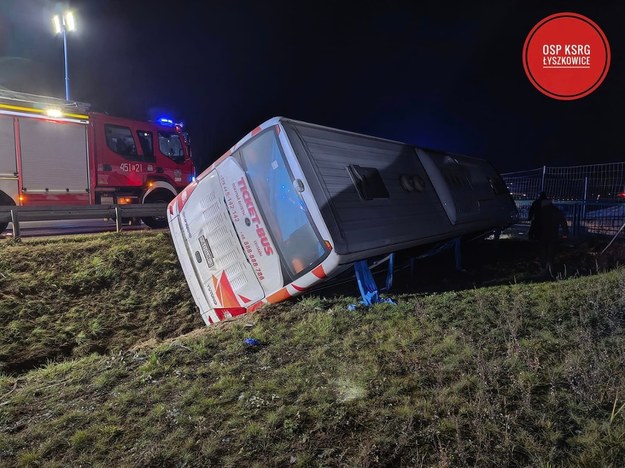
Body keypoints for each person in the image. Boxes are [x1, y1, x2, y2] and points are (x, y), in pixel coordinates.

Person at [537, 198, 568, 270]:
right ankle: (550, 263)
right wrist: (565, 233)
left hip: (543, 233)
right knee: (551, 248)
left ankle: (544, 264)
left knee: (543, 248)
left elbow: (535, 223)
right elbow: (563, 222)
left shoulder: (541, 211)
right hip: (553, 232)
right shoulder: (556, 210)